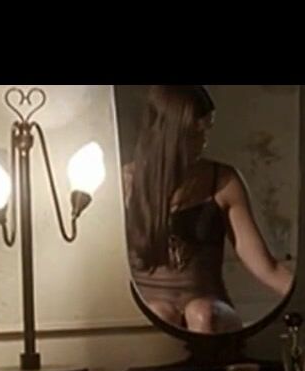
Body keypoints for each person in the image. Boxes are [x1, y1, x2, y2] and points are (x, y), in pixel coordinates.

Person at [123, 85, 294, 334]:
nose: (204, 141)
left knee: (202, 313)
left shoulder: (222, 181)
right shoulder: (126, 183)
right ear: (170, 132)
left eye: (207, 129)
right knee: (160, 313)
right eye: (194, 133)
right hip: (151, 310)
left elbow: (265, 267)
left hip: (210, 307)